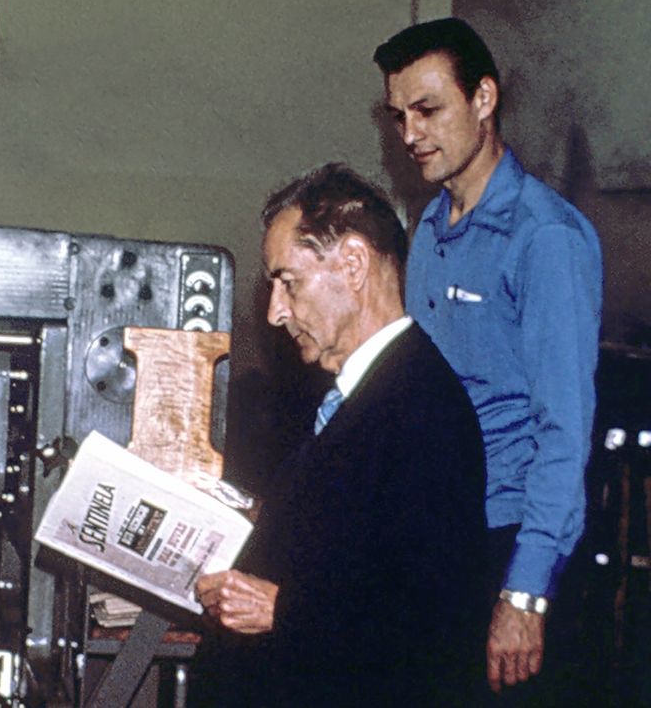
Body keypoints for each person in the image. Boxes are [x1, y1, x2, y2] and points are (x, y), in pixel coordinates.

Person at [195, 164, 489, 706]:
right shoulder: (364, 394)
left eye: (289, 282)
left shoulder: (423, 408)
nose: (275, 312)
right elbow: (361, 543)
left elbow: (433, 619)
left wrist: (282, 610)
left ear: (353, 264)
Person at [373, 18, 603, 701]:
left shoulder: (546, 239)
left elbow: (564, 433)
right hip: (437, 537)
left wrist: (525, 594)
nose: (410, 133)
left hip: (508, 548)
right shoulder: (429, 228)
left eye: (428, 109)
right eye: (399, 116)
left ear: (483, 99)